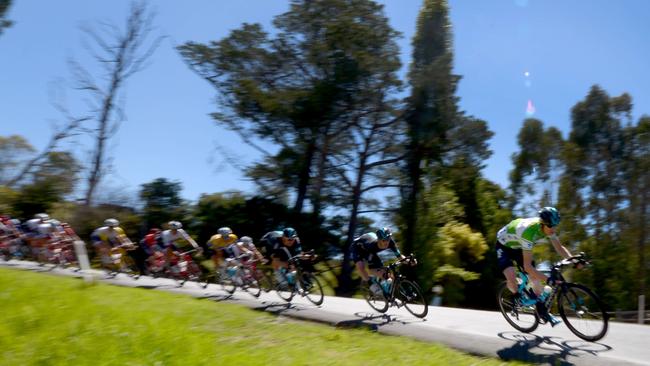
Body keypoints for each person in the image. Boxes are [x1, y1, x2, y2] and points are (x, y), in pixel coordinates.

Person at [496, 206, 576, 326]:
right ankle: (515, 293)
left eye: (555, 225)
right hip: (504, 246)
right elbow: (528, 267)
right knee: (512, 278)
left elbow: (559, 248)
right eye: (551, 226)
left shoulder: (549, 228)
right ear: (543, 224)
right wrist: (549, 280)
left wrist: (573, 260)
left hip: (518, 245)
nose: (553, 229)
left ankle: (540, 309)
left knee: (535, 279)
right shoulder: (529, 232)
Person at [350, 227, 408, 296]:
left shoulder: (391, 242)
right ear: (379, 240)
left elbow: (399, 256)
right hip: (357, 248)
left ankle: (390, 296)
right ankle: (371, 285)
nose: (386, 242)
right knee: (361, 266)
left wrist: (408, 260)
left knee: (389, 276)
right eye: (384, 240)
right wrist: (375, 270)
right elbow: (370, 267)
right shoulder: (371, 246)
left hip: (370, 246)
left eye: (388, 239)